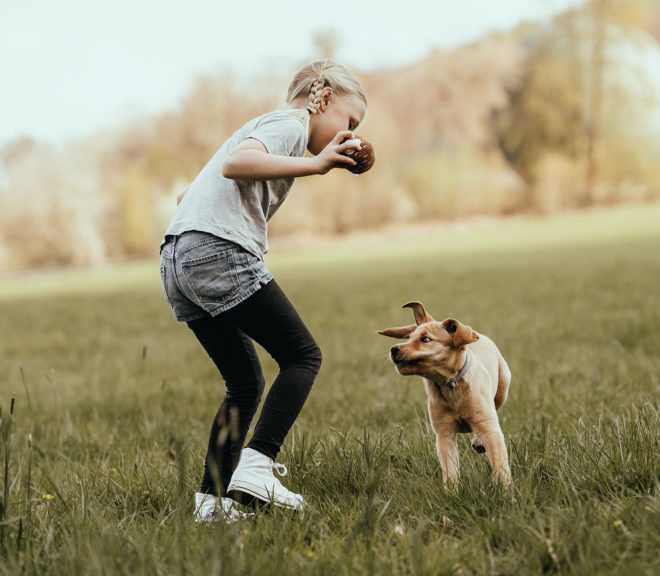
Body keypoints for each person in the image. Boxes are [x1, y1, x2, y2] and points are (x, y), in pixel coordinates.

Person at [158, 58, 368, 522]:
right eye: (349, 121)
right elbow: (236, 164)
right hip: (215, 253)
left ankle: (211, 504)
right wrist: (315, 164)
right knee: (302, 356)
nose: (349, 134)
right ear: (324, 97)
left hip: (176, 260)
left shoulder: (265, 128)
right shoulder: (290, 123)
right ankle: (256, 465)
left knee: (245, 382)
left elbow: (186, 196)